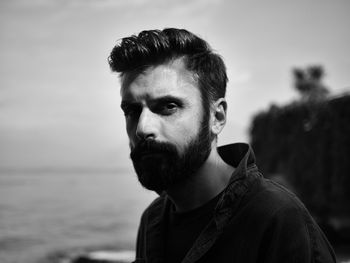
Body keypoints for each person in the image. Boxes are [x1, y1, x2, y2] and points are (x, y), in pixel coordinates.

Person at [108, 28, 336, 263]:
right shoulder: (152, 221)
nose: (142, 128)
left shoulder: (278, 220)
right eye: (132, 111)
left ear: (217, 117)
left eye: (168, 106)